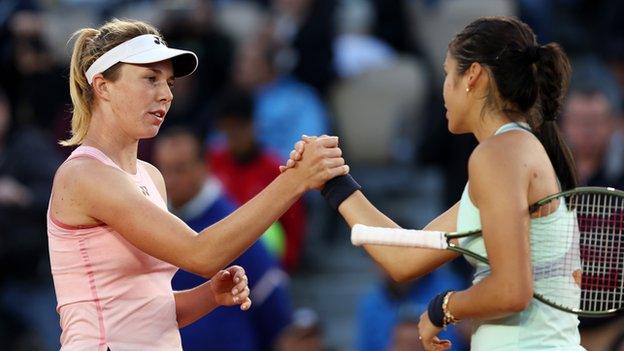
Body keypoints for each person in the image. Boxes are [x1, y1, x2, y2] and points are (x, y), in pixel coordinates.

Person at [283, 16, 584, 350]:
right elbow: (403, 259)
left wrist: (444, 307)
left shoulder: (499, 155)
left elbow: (512, 289)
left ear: (473, 76)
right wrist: (331, 180)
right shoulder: (511, 152)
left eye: (446, 73)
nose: (443, 90)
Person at [47, 19, 347, 350]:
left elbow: (143, 311)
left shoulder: (151, 177)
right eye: (150, 79)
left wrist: (208, 296)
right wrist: (295, 180)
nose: (165, 94)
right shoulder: (84, 175)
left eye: (169, 82)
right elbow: (201, 254)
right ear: (103, 86)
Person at [153, 127, 292, 351]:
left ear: (203, 167)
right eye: (164, 169)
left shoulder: (234, 221)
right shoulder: (149, 221)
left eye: (180, 169)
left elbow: (270, 298)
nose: (170, 179)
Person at [209, 87, 307, 270]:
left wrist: (282, 269)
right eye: (228, 129)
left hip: (266, 268)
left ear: (253, 124)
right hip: (219, 267)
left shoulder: (277, 169)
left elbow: (294, 227)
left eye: (239, 127)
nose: (234, 136)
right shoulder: (211, 163)